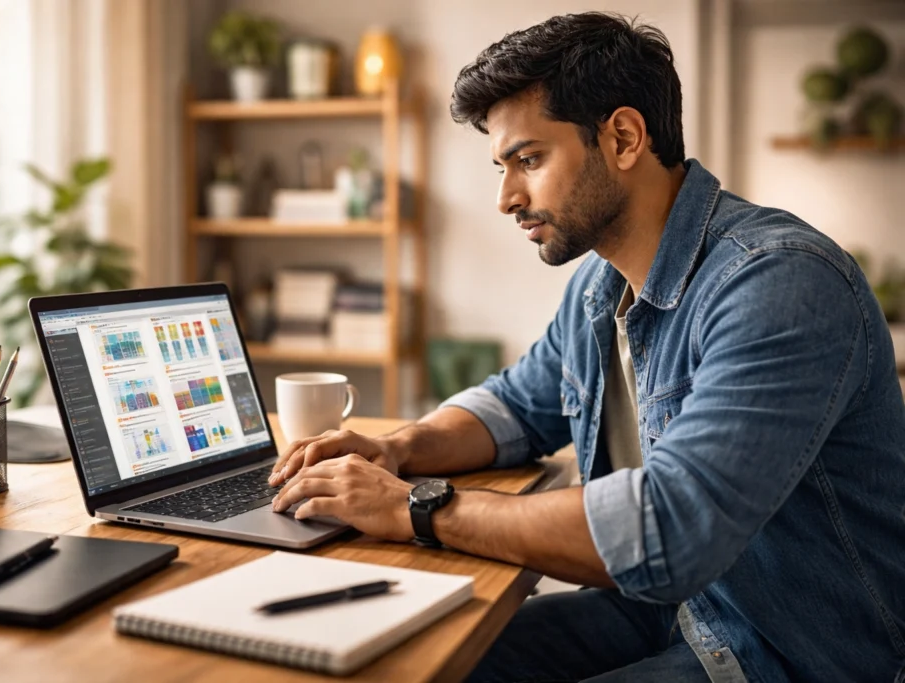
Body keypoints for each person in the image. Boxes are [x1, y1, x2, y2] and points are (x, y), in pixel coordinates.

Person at [269, 12, 905, 683]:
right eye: (502, 166)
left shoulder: (779, 282)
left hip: (790, 649)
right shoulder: (602, 285)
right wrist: (398, 448)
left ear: (624, 137)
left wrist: (413, 506)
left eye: (530, 159)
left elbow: (670, 528)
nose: (506, 197)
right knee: (415, 662)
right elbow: (514, 406)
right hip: (661, 610)